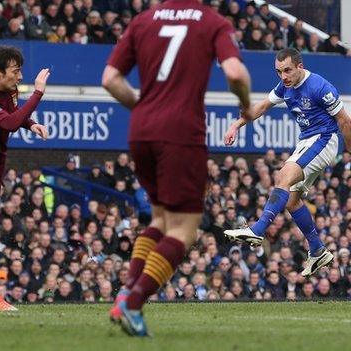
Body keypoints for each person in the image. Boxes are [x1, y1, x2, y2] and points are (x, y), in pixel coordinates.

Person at [101, 0, 253, 336]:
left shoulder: (143, 21)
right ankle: (134, 302)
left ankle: (126, 290)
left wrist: (142, 107)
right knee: (183, 230)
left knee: (160, 219)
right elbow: (235, 72)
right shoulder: (213, 22)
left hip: (141, 131)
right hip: (182, 133)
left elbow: (110, 79)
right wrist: (245, 105)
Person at [224, 48, 351, 277]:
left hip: (324, 138)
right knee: (292, 200)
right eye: (279, 71)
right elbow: (261, 107)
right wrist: (235, 125)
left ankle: (258, 229)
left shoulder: (320, 87)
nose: (283, 76)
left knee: (283, 175)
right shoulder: (285, 86)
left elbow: (344, 120)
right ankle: (318, 250)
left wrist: (350, 152)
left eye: (288, 70)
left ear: (300, 67)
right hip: (306, 141)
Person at [0, 45, 48, 311]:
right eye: (16, 71)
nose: (21, 76)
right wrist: (37, 93)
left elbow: (15, 116)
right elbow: (9, 123)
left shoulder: (10, 91)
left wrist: (32, 123)